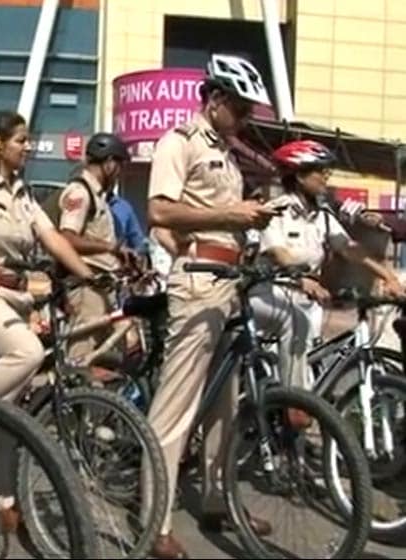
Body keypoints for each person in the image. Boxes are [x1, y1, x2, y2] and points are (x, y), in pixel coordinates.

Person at [146, 53, 279, 559]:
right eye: (242, 108)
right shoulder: (178, 141)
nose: (246, 118)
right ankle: (155, 521)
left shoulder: (227, 149)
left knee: (226, 404)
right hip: (198, 280)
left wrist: (252, 219)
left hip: (231, 279)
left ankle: (219, 501)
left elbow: (227, 215)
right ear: (217, 100)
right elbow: (158, 208)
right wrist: (231, 211)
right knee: (176, 408)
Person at [0, 109, 93, 402]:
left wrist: (89, 276)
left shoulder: (22, 191)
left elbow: (51, 236)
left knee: (14, 416)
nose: (28, 147)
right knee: (28, 353)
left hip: (18, 298)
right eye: (21, 140)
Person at [254, 139, 405, 387]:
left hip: (310, 302)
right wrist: (301, 279)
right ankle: (296, 414)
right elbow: (278, 253)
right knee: (294, 381)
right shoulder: (276, 210)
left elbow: (350, 249)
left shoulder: (323, 217)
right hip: (274, 296)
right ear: (300, 176)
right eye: (319, 170)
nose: (326, 176)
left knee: (312, 373)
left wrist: (389, 277)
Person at [56, 133, 137, 361]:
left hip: (101, 285)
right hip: (85, 287)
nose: (119, 172)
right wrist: (109, 247)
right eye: (119, 165)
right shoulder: (80, 192)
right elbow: (67, 238)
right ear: (110, 162)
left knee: (109, 352)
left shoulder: (99, 195)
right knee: (82, 356)